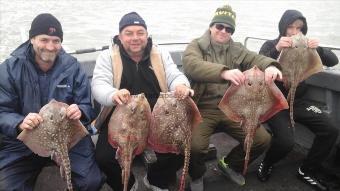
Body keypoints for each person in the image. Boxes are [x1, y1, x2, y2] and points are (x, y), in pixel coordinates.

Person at [182, 4, 283, 191]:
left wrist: (270, 65)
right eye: (219, 26)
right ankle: (197, 176)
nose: (223, 31)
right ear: (211, 26)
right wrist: (223, 72)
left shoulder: (236, 48)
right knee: (195, 146)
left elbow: (255, 58)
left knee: (262, 139)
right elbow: (191, 65)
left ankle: (229, 164)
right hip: (202, 108)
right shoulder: (195, 45)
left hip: (231, 107)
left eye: (228, 29)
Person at [0, 13, 105, 191]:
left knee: (91, 182)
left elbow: (87, 106)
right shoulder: (10, 68)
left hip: (68, 139)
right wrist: (19, 122)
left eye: (56, 40)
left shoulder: (72, 66)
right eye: (44, 39)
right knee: (7, 186)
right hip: (23, 142)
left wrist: (80, 111)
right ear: (32, 39)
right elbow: (2, 110)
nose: (50, 46)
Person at [92, 12, 193, 191]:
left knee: (178, 149)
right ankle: (128, 184)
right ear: (119, 36)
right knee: (104, 158)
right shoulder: (108, 56)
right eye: (129, 33)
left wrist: (181, 85)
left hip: (158, 116)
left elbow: (174, 74)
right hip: (121, 117)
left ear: (147, 35)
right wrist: (113, 94)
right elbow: (99, 84)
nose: (135, 38)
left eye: (140, 32)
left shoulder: (159, 53)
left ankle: (156, 181)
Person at [257, 9, 339, 191]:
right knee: (286, 142)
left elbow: (333, 61)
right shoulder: (271, 44)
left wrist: (318, 48)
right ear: (283, 28)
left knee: (330, 130)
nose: (294, 32)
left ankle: (306, 169)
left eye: (299, 28)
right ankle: (267, 163)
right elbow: (258, 65)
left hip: (297, 101)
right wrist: (276, 49)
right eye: (290, 27)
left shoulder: (305, 46)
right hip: (274, 103)